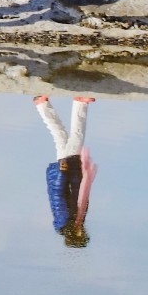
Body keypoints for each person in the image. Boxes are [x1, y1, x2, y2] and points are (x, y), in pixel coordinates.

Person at [34, 93, 98, 249]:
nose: (83, 233)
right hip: (72, 170)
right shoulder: (77, 220)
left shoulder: (64, 219)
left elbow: (57, 194)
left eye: (80, 236)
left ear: (72, 235)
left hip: (67, 168)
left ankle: (80, 104)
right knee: (60, 134)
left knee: (77, 136)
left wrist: (62, 173)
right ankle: (41, 104)